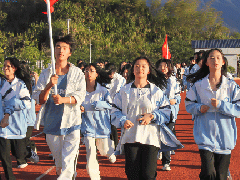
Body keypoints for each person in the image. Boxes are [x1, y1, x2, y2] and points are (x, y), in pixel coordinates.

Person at [111, 57, 183, 180]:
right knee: (132, 174)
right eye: (137, 66)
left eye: (144, 66)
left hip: (151, 137)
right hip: (130, 137)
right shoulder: (124, 91)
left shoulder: (156, 92)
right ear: (133, 70)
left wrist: (152, 116)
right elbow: (113, 111)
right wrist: (122, 120)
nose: (140, 69)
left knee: (148, 175)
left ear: (149, 70)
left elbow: (166, 112)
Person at [33, 35, 86, 179]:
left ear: (70, 52)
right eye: (57, 47)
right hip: (52, 123)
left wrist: (64, 99)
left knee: (68, 162)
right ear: (53, 50)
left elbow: (80, 96)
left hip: (72, 122)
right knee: (60, 163)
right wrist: (49, 86)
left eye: (64, 48)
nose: (60, 51)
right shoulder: (46, 73)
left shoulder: (77, 73)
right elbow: (39, 99)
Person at [185, 48, 240, 180]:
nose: (215, 60)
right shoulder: (198, 85)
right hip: (205, 136)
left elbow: (238, 108)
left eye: (218, 58)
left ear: (223, 63)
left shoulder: (231, 86)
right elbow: (188, 104)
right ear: (206, 63)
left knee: (221, 176)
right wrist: (198, 108)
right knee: (208, 173)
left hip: (225, 138)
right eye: (211, 57)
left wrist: (222, 105)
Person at [81, 63, 116, 180]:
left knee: (104, 150)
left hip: (102, 126)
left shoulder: (103, 91)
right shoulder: (80, 90)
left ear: (97, 74)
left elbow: (110, 105)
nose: (88, 73)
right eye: (86, 70)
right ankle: (95, 177)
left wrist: (96, 104)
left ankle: (110, 150)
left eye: (91, 71)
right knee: (91, 152)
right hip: (87, 126)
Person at [0, 57, 32, 179]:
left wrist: (10, 103)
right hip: (3, 127)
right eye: (4, 66)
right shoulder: (1, 83)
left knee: (19, 154)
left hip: (17, 127)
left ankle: (28, 152)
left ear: (15, 68)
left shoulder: (20, 85)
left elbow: (27, 104)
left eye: (8, 66)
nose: (5, 68)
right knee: (4, 157)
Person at [156, 59, 181, 171]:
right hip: (158, 112)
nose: (163, 68)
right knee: (157, 135)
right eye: (160, 66)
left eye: (165, 66)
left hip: (170, 112)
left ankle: (166, 162)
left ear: (170, 68)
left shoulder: (174, 80)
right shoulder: (154, 81)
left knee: (166, 136)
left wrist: (175, 100)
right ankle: (159, 152)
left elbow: (178, 96)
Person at [105, 63, 126, 149]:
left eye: (111, 74)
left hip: (117, 104)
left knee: (115, 125)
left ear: (114, 72)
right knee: (108, 124)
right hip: (108, 103)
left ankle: (118, 144)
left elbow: (118, 91)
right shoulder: (105, 77)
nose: (110, 75)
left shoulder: (120, 79)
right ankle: (112, 144)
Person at [0, 72, 16, 180]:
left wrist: (6, 116)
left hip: (0, 127)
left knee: (5, 159)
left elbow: (11, 99)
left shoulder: (1, 82)